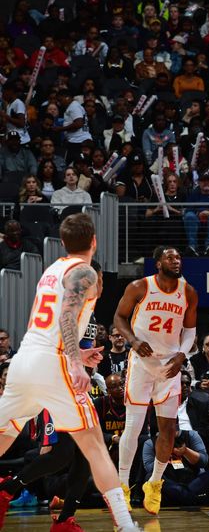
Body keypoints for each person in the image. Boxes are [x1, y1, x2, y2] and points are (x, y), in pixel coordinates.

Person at [0, 213, 139, 531]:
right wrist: (75, 362)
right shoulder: (85, 272)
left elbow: (54, 322)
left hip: (24, 361)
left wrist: (79, 352)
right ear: (94, 241)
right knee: (95, 446)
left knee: (5, 433)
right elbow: (66, 317)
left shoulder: (51, 270)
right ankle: (125, 525)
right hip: (53, 363)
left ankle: (48, 512)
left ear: (62, 242)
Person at [113, 246, 198, 514]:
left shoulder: (188, 292)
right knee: (134, 428)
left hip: (169, 366)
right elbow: (119, 317)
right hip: (142, 363)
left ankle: (154, 483)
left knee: (169, 430)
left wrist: (182, 355)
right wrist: (134, 341)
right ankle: (122, 486)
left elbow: (190, 329)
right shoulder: (140, 287)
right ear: (158, 262)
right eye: (170, 257)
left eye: (178, 258)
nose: (176, 261)